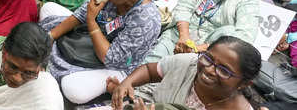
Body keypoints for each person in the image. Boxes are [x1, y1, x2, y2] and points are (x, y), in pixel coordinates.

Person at [40, 0, 161, 104]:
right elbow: (82, 13)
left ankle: (96, 82)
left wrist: (92, 21)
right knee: (48, 8)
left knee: (74, 91)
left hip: (116, 66)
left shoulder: (146, 20)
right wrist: (50, 36)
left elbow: (110, 58)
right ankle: (59, 56)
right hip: (91, 39)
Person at [111, 36, 262, 110]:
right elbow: (150, 71)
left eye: (223, 70)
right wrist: (127, 83)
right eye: (208, 58)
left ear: (243, 83)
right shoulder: (189, 63)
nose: (209, 69)